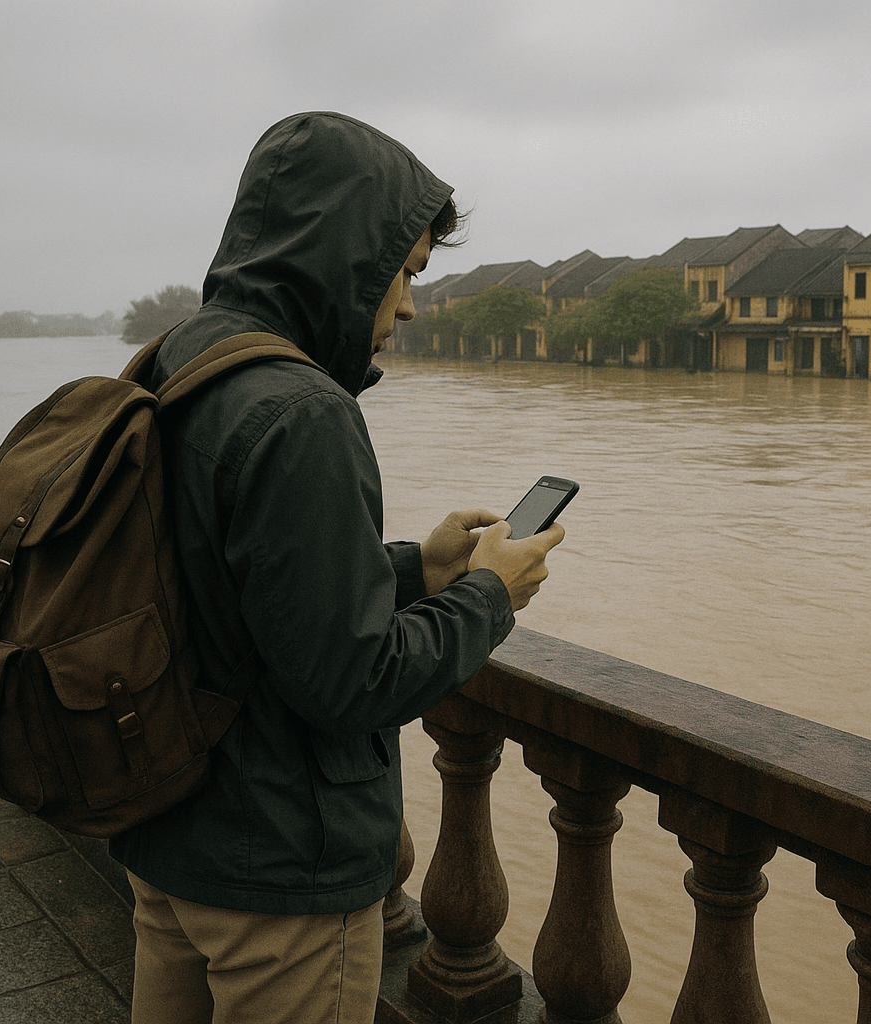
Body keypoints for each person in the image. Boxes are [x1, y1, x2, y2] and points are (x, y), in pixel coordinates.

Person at [108, 112, 564, 1024]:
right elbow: (353, 681)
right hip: (280, 871)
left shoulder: (176, 359)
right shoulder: (301, 409)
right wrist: (486, 596)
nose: (406, 306)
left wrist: (411, 570)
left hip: (169, 837)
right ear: (345, 258)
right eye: (405, 274)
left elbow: (230, 583)